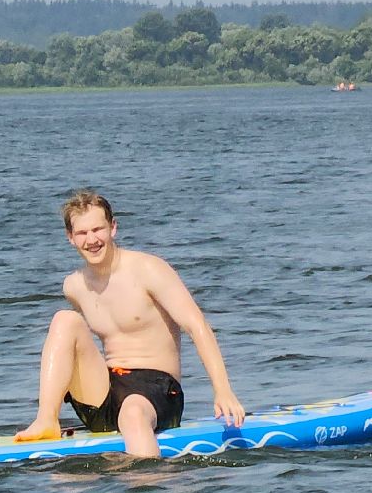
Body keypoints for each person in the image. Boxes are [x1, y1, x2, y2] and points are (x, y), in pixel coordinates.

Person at [14, 190, 244, 458]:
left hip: (155, 389)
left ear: (113, 228)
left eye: (98, 229)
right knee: (64, 320)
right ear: (70, 238)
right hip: (108, 388)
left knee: (133, 413)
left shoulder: (148, 269)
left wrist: (223, 391)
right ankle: (46, 419)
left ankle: (147, 488)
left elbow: (197, 326)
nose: (92, 240)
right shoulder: (74, 285)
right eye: (82, 233)